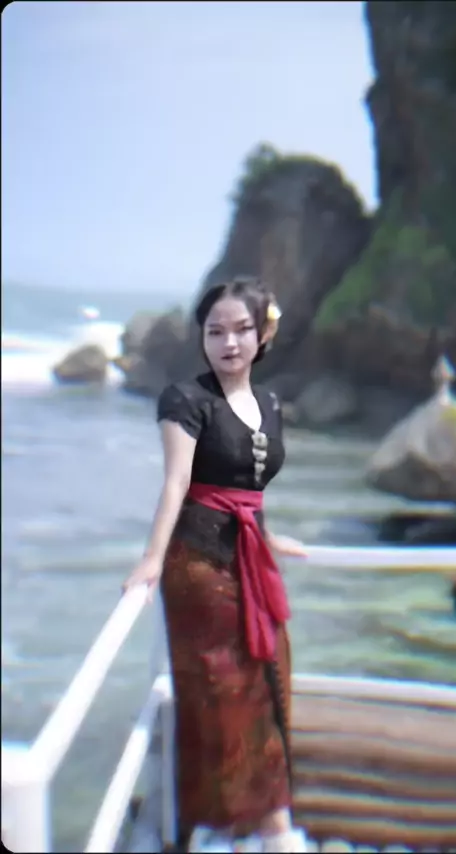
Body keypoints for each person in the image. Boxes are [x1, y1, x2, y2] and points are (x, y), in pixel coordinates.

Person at [123, 277, 308, 853]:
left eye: (241, 329)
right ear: (202, 337)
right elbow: (177, 482)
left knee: (270, 678)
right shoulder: (185, 399)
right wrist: (151, 559)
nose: (229, 342)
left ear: (262, 335)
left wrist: (267, 537)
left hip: (250, 559)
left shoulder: (270, 404)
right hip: (199, 566)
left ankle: (259, 818)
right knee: (221, 693)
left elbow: (251, 487)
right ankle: (236, 822)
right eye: (215, 331)